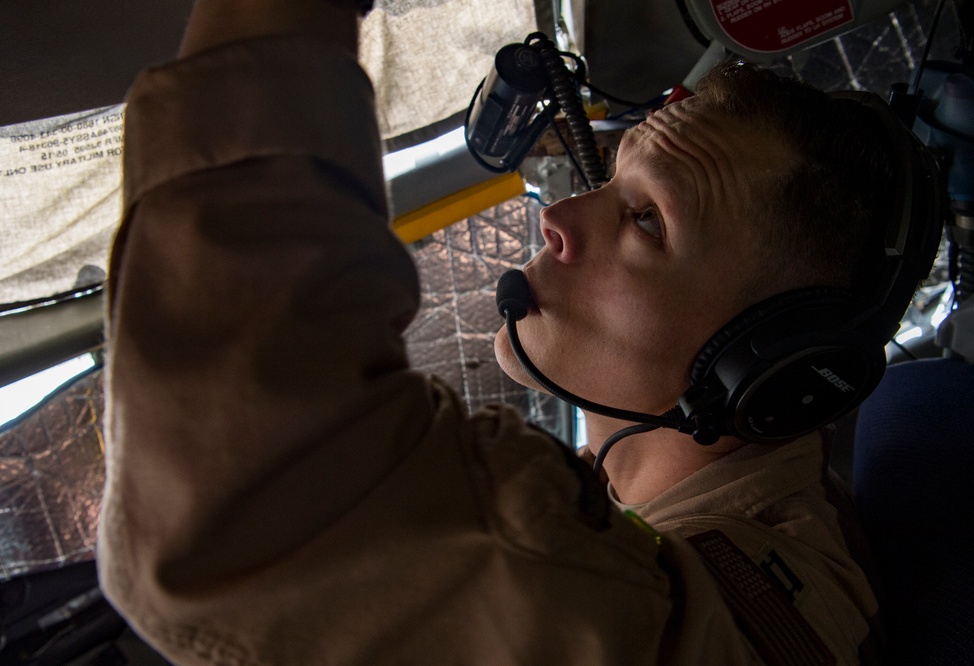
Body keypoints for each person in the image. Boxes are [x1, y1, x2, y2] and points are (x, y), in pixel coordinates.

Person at [98, 0, 896, 663]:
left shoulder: (759, 622)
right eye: (613, 182)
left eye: (647, 221)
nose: (556, 217)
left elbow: (240, 493)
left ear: (772, 362)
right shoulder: (650, 496)